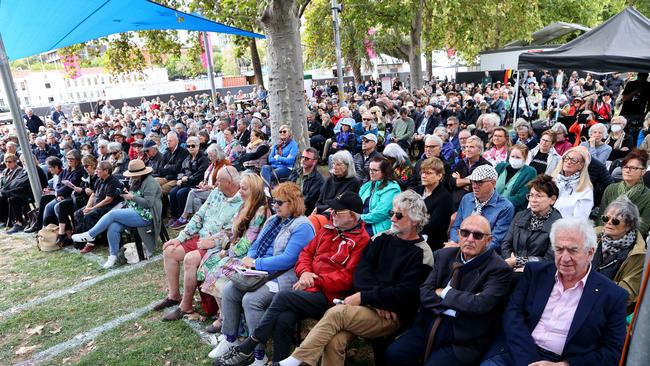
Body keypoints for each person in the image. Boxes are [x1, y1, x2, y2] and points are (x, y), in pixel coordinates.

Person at [276, 190, 433, 366]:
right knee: (334, 341)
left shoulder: (423, 254)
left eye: (398, 215)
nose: (392, 218)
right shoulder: (381, 238)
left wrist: (366, 297)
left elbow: (405, 294)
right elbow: (361, 275)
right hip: (372, 306)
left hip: (392, 316)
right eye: (391, 213)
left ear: (415, 220)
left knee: (337, 313)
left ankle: (295, 361)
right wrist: (374, 300)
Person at [213, 192, 370, 365]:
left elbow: (347, 278)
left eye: (337, 212)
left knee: (283, 296)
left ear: (353, 216)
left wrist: (315, 279)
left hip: (330, 296)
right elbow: (305, 255)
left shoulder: (362, 241)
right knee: (283, 319)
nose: (331, 214)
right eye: (332, 210)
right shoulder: (328, 230)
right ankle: (277, 362)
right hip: (307, 287)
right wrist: (305, 273)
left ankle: (252, 342)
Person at [481, 217, 627, 366]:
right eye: (559, 249)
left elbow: (612, 352)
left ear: (590, 253)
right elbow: (512, 315)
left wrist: (566, 365)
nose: (564, 258)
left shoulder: (613, 295)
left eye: (572, 250)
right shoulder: (535, 273)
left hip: (564, 361)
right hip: (517, 351)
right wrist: (530, 361)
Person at [386, 215, 511, 366]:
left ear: (489, 240)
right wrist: (461, 305)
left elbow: (480, 304)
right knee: (395, 354)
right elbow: (425, 292)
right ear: (458, 234)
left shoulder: (498, 269)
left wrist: (443, 292)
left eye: (477, 235)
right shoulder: (443, 255)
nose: (470, 239)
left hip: (463, 338)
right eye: (465, 233)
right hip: (428, 324)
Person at [209, 182, 315, 361]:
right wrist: (249, 261)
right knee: (229, 291)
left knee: (252, 300)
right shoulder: (273, 220)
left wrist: (257, 263)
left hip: (284, 276)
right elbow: (255, 245)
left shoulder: (302, 226)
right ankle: (231, 339)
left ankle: (259, 353)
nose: (275, 206)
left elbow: (288, 259)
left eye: (280, 203)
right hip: (260, 272)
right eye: (274, 202)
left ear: (293, 203)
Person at [153, 166, 243, 315]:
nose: (215, 184)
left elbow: (235, 232)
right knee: (170, 250)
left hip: (216, 245)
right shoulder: (216, 193)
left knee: (190, 259)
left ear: (230, 183)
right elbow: (199, 216)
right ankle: (174, 296)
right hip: (202, 236)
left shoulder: (242, 201)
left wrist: (214, 242)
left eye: (218, 181)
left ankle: (185, 306)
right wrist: (180, 237)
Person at [196, 173, 270, 333]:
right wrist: (218, 240)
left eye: (244, 189)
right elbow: (232, 230)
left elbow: (248, 241)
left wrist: (227, 251)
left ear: (254, 190)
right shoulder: (245, 205)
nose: (240, 192)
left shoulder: (260, 211)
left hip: (250, 255)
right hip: (237, 250)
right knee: (208, 263)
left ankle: (229, 320)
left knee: (218, 269)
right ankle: (222, 313)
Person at [72, 159, 162, 268]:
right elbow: (134, 199)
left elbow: (148, 203)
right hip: (136, 211)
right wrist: (127, 195)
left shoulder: (150, 182)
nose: (131, 177)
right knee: (113, 226)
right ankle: (112, 256)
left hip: (148, 215)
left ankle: (90, 235)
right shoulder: (136, 180)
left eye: (133, 174)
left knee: (113, 214)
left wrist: (132, 197)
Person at [501, 175, 562, 274]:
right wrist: (510, 260)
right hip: (510, 266)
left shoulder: (559, 225)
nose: (533, 200)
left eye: (539, 196)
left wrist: (519, 262)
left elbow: (550, 258)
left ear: (552, 199)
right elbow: (506, 243)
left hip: (537, 272)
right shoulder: (520, 215)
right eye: (531, 195)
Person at [594, 197, 646, 312]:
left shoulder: (637, 254)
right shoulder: (592, 236)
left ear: (629, 225)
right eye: (606, 218)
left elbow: (627, 293)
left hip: (607, 309)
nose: (608, 223)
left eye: (615, 221)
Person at [449, 164, 515, 250]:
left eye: (479, 182)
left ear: (493, 183)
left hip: (483, 254)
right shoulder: (467, 199)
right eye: (472, 181)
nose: (474, 185)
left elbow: (496, 241)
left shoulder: (505, 207)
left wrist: (465, 247)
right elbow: (456, 227)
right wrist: (455, 243)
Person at [599, 150, 650, 235]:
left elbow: (643, 227)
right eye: (625, 167)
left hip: (630, 241)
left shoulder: (647, 195)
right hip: (605, 236)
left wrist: (618, 236)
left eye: (633, 168)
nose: (627, 170)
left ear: (643, 172)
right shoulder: (611, 189)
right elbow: (601, 217)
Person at [168, 136, 210, 228]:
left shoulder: (203, 159)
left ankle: (183, 217)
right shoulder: (187, 158)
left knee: (181, 193)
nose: (190, 147)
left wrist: (187, 178)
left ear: (198, 146)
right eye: (188, 146)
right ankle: (174, 216)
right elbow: (181, 171)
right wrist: (180, 178)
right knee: (172, 192)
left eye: (193, 146)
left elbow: (200, 174)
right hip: (185, 182)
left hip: (196, 184)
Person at [414, 157, 453, 251]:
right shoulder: (416, 191)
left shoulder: (444, 197)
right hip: (412, 236)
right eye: (422, 172)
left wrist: (410, 223)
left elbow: (434, 226)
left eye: (428, 173)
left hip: (432, 245)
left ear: (439, 176)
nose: (423, 176)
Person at [358, 157, 401, 236]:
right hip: (362, 222)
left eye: (375, 170)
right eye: (370, 169)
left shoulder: (392, 188)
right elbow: (356, 203)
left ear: (385, 172)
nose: (371, 172)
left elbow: (381, 213)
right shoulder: (368, 185)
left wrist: (358, 219)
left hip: (378, 227)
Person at [551, 146, 594, 219]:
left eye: (574, 160)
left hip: (563, 227)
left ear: (581, 165)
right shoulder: (551, 180)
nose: (569, 162)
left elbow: (579, 219)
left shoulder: (585, 190)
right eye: (566, 158)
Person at [450, 136, 491, 209]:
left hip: (474, 205)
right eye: (466, 147)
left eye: (471, 147)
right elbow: (451, 182)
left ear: (479, 150)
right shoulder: (461, 163)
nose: (468, 150)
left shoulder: (486, 166)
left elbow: (475, 189)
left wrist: (460, 181)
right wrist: (470, 180)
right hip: (454, 202)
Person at [313, 150, 360, 214]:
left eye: (338, 164)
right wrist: (321, 209)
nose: (334, 167)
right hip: (322, 214)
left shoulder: (353, 183)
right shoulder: (329, 180)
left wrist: (320, 208)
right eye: (333, 163)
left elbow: (339, 205)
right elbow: (318, 203)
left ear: (347, 166)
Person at [494, 144, 538, 212]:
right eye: (512, 156)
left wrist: (499, 203)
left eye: (518, 157)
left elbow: (521, 197)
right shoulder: (500, 166)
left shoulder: (530, 172)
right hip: (492, 205)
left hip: (512, 210)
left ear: (525, 158)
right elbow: (489, 185)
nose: (514, 159)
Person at [288, 147, 324, 215]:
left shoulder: (318, 180)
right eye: (302, 157)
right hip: (289, 204)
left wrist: (289, 204)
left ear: (314, 161)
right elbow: (287, 187)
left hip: (303, 212)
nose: (303, 160)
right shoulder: (296, 172)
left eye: (307, 158)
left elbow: (307, 201)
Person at [154, 131, 189, 195]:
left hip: (176, 178)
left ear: (177, 141)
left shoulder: (184, 152)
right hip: (166, 177)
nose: (168, 142)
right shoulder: (166, 152)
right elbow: (160, 169)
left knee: (161, 189)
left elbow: (177, 168)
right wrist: (170, 168)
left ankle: (164, 205)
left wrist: (167, 166)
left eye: (170, 140)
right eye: (167, 140)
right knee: (152, 182)